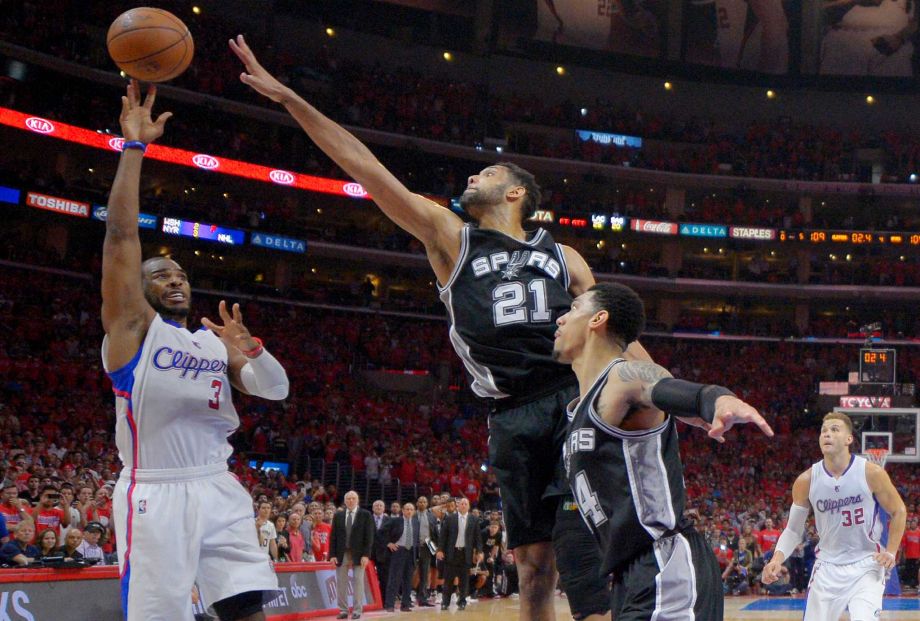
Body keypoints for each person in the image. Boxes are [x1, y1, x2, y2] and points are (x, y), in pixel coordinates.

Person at [231, 35, 639, 621]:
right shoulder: (451, 236)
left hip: (571, 398)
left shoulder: (566, 256)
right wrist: (289, 98)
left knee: (581, 548)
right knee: (533, 568)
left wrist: (669, 389)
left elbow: (616, 335)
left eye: (487, 172)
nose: (473, 177)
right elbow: (366, 168)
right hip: (508, 411)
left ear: (516, 192)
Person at [101, 81, 289, 621]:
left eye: (181, 273)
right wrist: (133, 148)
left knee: (246, 604)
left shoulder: (211, 340)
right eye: (160, 274)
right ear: (140, 288)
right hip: (154, 492)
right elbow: (119, 238)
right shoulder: (132, 329)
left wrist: (250, 353)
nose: (175, 280)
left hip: (217, 483)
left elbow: (276, 391)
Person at [552, 282, 774, 619]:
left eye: (573, 308)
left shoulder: (623, 378)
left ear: (598, 319)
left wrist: (718, 399)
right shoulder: (578, 408)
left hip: (664, 562)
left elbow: (669, 387)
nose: (560, 319)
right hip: (632, 573)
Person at [762, 412, 908, 620]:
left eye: (834, 430)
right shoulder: (806, 480)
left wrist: (891, 552)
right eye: (823, 431)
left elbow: (898, 511)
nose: (826, 434)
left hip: (866, 563)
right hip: (827, 567)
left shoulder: (871, 473)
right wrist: (777, 559)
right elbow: (793, 530)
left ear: (849, 439)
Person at [329, 491, 374, 620]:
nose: (350, 501)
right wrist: (332, 555)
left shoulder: (365, 515)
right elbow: (333, 537)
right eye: (348, 498)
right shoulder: (338, 515)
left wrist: (366, 554)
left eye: (353, 498)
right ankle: (343, 610)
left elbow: (369, 537)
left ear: (357, 500)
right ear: (344, 501)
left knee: (358, 582)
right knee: (341, 583)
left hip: (359, 553)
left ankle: (357, 610)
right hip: (341, 552)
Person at [437, 497, 482, 611]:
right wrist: (440, 550)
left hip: (465, 554)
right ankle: (445, 602)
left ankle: (462, 601)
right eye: (461, 503)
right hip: (452, 553)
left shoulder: (474, 519)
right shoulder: (450, 518)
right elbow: (443, 536)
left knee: (464, 581)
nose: (463, 505)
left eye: (465, 503)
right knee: (448, 580)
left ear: (469, 506)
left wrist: (479, 552)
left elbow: (478, 538)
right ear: (458, 506)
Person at [382, 502, 418, 612]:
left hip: (411, 552)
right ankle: (389, 605)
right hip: (398, 551)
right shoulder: (395, 520)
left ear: (414, 511)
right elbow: (380, 533)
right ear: (402, 510)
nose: (409, 511)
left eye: (411, 509)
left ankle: (405, 604)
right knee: (394, 579)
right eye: (407, 509)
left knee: (408, 580)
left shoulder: (416, 522)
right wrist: (388, 543)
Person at [414, 496, 439, 606]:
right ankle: (408, 595)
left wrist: (437, 548)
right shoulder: (412, 514)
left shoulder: (431, 516)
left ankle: (423, 598)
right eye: (420, 501)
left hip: (426, 546)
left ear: (427, 504)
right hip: (413, 546)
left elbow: (435, 533)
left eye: (424, 501)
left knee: (425, 573)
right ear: (417, 503)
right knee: (410, 571)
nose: (422, 503)